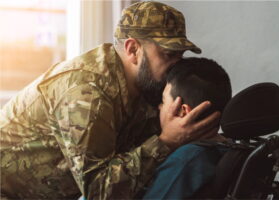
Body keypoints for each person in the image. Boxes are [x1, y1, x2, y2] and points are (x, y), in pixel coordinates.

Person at [0, 2, 220, 199]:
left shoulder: (147, 86)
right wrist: (166, 142)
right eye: (168, 55)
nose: (176, 66)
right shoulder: (87, 91)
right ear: (133, 49)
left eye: (180, 56)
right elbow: (98, 192)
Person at [143, 57, 232, 199]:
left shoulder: (186, 160)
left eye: (164, 101)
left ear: (182, 111)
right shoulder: (228, 147)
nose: (159, 107)